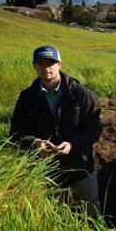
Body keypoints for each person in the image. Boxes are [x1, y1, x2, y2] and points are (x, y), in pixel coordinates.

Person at [10, 45, 102, 216]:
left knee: (90, 209)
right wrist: (35, 142)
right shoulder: (27, 97)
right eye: (41, 63)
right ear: (34, 66)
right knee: (54, 212)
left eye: (50, 63)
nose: (46, 68)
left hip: (80, 166)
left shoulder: (82, 94)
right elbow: (15, 133)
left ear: (59, 64)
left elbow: (94, 130)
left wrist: (72, 144)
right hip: (45, 167)